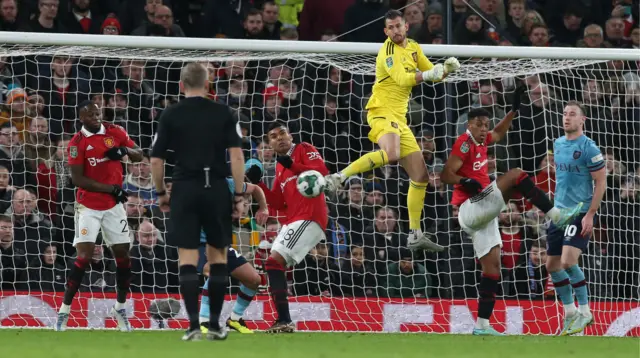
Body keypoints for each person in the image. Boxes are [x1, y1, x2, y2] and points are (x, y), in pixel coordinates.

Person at [440, 89, 583, 336]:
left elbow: (498, 133)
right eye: (479, 125)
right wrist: (464, 182)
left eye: (485, 124)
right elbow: (445, 174)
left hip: (481, 216)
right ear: (468, 124)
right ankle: (557, 216)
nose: (484, 129)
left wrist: (513, 112)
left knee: (492, 269)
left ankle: (482, 326)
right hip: (470, 208)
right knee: (516, 174)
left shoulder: (482, 139)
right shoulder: (464, 142)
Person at [324, 9, 459, 252]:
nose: (396, 31)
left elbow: (432, 74)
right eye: (391, 28)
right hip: (381, 111)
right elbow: (403, 79)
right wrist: (430, 73)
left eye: (399, 26)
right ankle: (339, 177)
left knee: (421, 177)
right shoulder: (387, 51)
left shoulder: (415, 47)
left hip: (400, 119)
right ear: (386, 31)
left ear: (406, 26)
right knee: (392, 153)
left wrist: (446, 69)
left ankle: (415, 234)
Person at [150, 62, 245, 341]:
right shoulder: (225, 112)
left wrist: (161, 193)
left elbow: (156, 159)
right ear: (208, 85)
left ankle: (193, 325)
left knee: (188, 258)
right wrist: (238, 195)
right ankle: (214, 324)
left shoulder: (170, 114)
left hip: (185, 187)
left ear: (182, 85)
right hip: (215, 187)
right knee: (218, 257)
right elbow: (237, 157)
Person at [55, 101, 143, 332]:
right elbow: (78, 180)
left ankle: (120, 308)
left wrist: (124, 150)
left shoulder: (115, 131)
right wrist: (111, 189)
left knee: (123, 257)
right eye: (91, 114)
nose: (96, 117)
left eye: (98, 113)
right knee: (83, 257)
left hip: (114, 207)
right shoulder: (76, 143)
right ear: (81, 118)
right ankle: (64, 310)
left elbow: (139, 154)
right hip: (88, 207)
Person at [245, 121, 329, 333]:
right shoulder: (280, 167)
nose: (279, 138)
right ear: (270, 144)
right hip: (294, 219)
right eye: (273, 136)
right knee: (273, 264)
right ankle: (283, 320)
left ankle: (284, 320)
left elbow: (321, 172)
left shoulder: (303, 149)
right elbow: (277, 202)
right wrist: (259, 183)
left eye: (282, 133)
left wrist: (293, 164)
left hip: (310, 216)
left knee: (274, 261)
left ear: (290, 136)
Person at [545, 101, 606, 336]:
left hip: (579, 212)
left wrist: (591, 214)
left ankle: (586, 310)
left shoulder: (589, 147)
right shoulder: (558, 144)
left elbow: (601, 181)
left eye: (572, 114)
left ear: (583, 120)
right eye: (564, 114)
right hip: (558, 213)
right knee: (551, 265)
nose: (567, 118)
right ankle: (570, 312)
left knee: (568, 262)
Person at [200, 176, 269, 334]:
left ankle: (235, 319)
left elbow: (256, 189)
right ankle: (203, 321)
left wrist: (263, 208)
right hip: (199, 242)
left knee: (254, 280)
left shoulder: (229, 184)